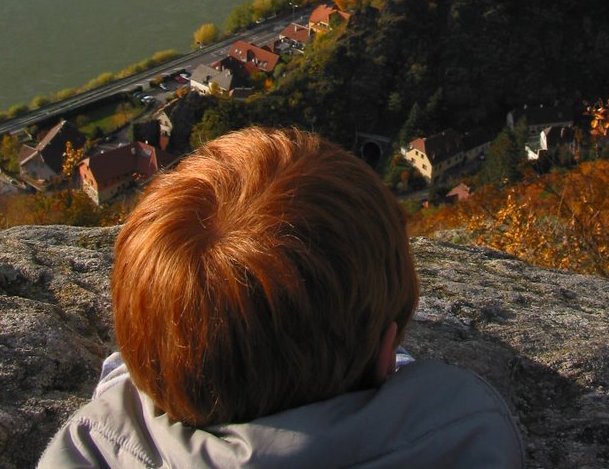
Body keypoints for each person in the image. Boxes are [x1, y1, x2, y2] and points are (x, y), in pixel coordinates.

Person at [39, 127, 524, 468]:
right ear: (384, 356)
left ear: (151, 375)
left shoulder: (94, 451)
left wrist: (148, 355)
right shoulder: (467, 443)